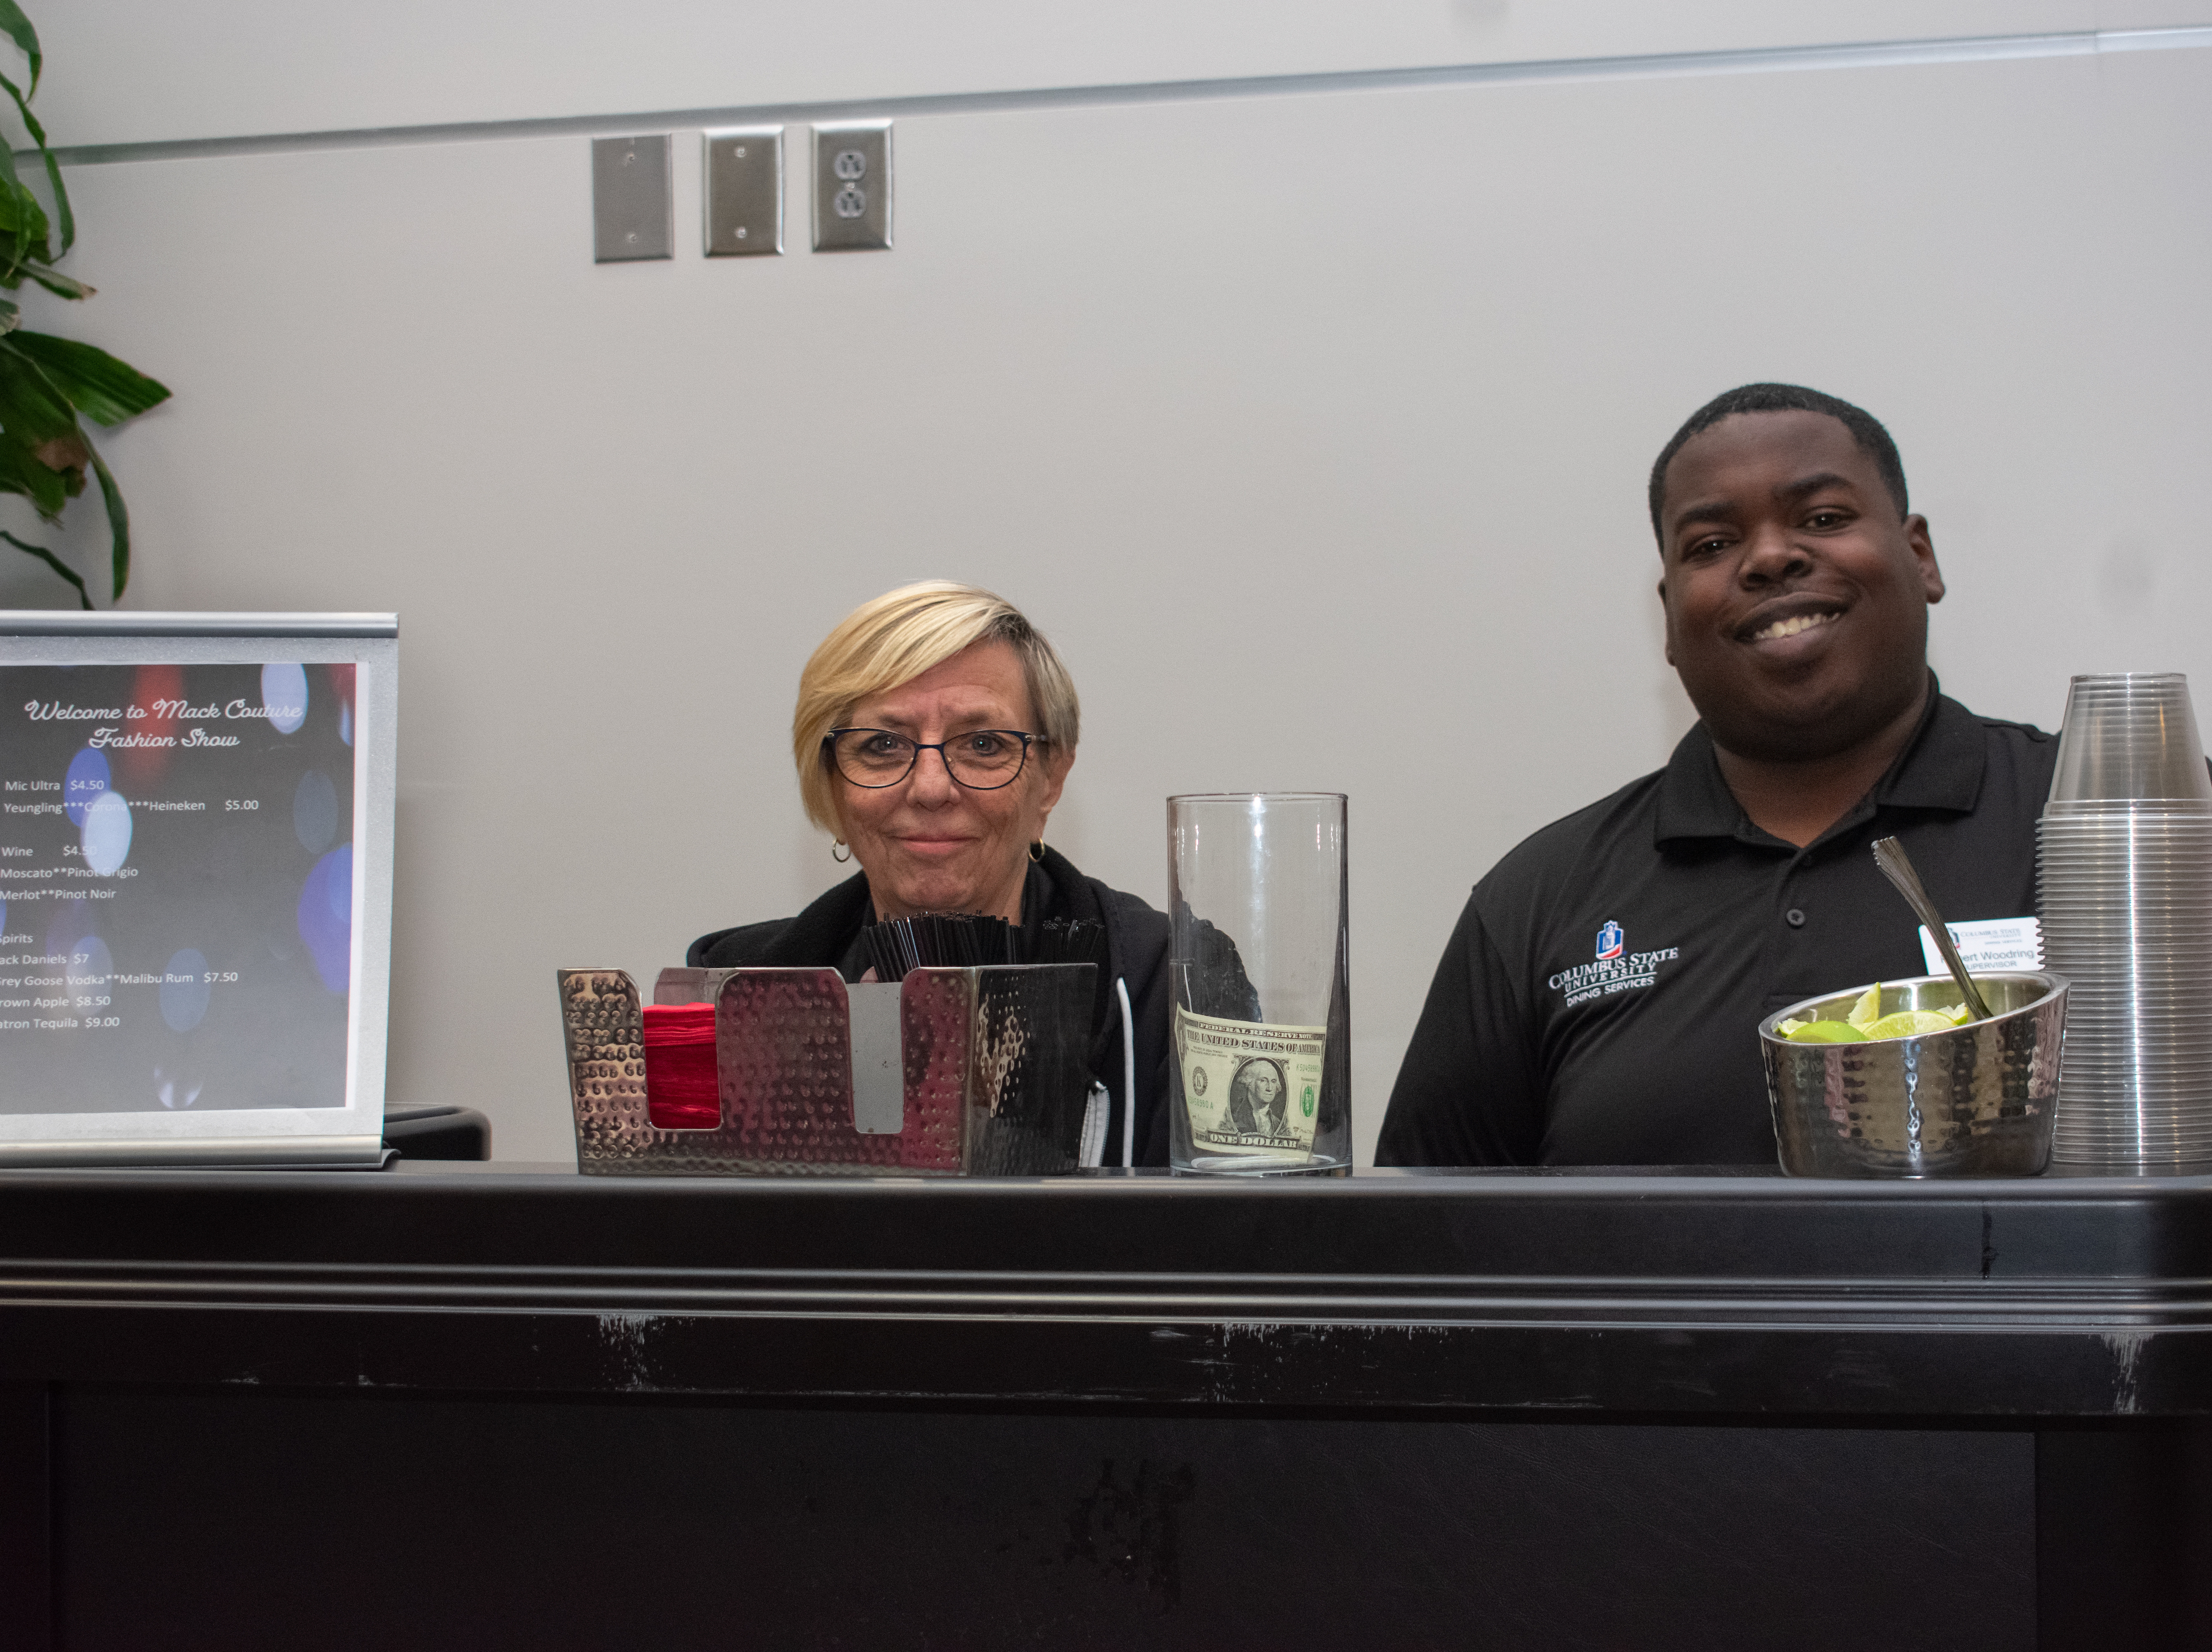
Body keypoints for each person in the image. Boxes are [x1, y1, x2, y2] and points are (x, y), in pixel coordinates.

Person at [1377, 383, 2059, 1167]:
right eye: (1710, 544)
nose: (1771, 556)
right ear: (1669, 616)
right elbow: (1416, 1251)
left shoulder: (2117, 824)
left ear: (1921, 555)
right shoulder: (1536, 902)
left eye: (1824, 518)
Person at [689, 580, 1173, 1165]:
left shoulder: (1172, 984)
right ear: (832, 783)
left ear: (1051, 778)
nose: (931, 788)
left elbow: (1236, 1239)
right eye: (882, 744)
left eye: (984, 743)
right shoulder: (734, 992)